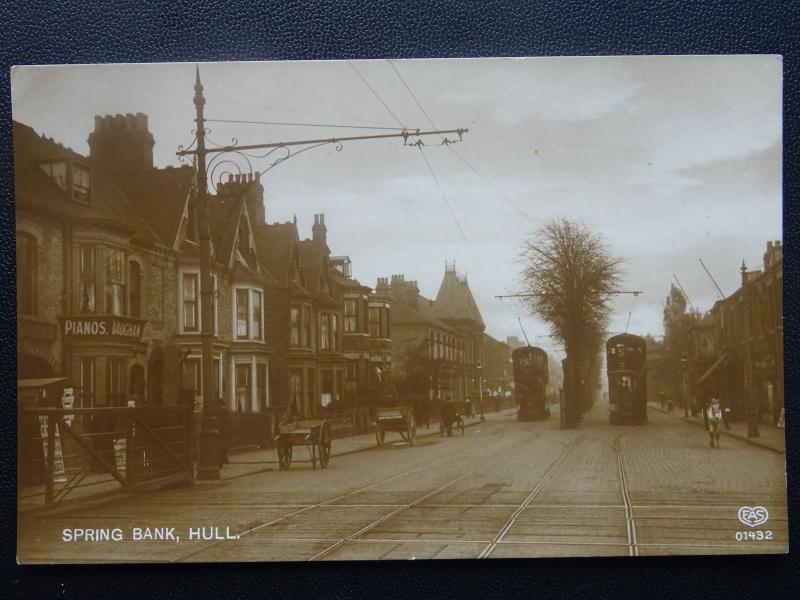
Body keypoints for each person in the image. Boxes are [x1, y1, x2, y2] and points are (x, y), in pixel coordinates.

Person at [217, 399, 232, 467]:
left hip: (217, 431)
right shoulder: (225, 411)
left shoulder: (214, 410)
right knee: (224, 446)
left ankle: (222, 459)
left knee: (220, 446)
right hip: (224, 431)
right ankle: (221, 460)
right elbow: (228, 421)